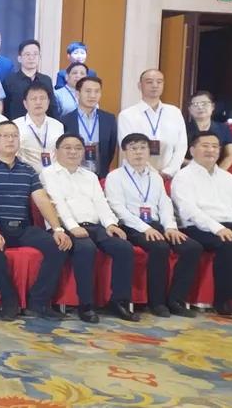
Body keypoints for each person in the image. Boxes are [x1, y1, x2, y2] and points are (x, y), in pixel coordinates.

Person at [0, 120, 72, 320]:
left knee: (58, 246)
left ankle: (38, 302)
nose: (10, 140)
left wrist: (58, 229)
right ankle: (9, 301)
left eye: (14, 136)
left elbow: (42, 200)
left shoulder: (28, 170)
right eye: (5, 136)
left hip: (22, 227)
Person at [40, 134, 138, 323]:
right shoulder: (48, 174)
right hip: (64, 227)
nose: (73, 152)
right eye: (67, 148)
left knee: (124, 248)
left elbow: (101, 203)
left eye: (78, 148)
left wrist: (110, 224)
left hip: (93, 226)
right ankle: (86, 305)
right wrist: (73, 227)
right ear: (56, 151)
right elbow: (57, 204)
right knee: (86, 249)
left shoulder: (90, 176)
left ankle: (119, 302)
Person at [105, 133, 201, 317]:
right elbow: (118, 209)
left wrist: (170, 227)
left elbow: (164, 204)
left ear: (149, 151)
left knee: (192, 248)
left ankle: (175, 300)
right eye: (133, 148)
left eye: (143, 148)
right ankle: (157, 303)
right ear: (125, 152)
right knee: (159, 247)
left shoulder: (155, 176)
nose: (138, 152)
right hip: (132, 226)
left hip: (156, 224)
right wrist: (145, 228)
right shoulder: (115, 177)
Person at [171, 131, 232, 315]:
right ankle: (224, 301)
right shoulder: (183, 177)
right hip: (197, 227)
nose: (211, 150)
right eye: (205, 146)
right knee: (228, 243)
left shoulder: (228, 178)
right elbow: (189, 211)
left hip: (228, 223)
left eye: (215, 146)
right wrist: (218, 228)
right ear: (192, 150)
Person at [117, 69, 187, 179]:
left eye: (159, 82)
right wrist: (154, 174)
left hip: (171, 177)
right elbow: (128, 147)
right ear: (140, 86)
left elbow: (181, 147)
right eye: (149, 82)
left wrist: (169, 172)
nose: (155, 85)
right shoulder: (127, 115)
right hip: (137, 175)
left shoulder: (174, 112)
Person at [60, 76, 117, 178]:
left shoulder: (109, 119)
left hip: (100, 177)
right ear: (77, 94)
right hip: (73, 176)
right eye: (88, 91)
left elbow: (110, 149)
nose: (92, 95)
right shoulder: (65, 121)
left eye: (97, 91)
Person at [13, 83, 65, 173]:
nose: (38, 102)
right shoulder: (15, 125)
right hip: (25, 174)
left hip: (54, 175)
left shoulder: (58, 125)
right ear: (25, 103)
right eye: (33, 99)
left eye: (42, 98)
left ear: (48, 102)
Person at [3, 40, 57, 121]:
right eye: (27, 54)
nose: (31, 58)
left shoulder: (46, 80)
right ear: (19, 58)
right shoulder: (9, 80)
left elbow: (52, 107)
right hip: (16, 126)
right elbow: (5, 108)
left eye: (35, 54)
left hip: (42, 125)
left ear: (39, 57)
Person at [185, 90, 232, 169]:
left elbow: (229, 155)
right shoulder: (182, 128)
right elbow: (175, 155)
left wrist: (217, 173)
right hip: (187, 170)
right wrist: (197, 167)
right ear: (190, 109)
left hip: (217, 171)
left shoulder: (224, 128)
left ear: (213, 107)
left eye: (204, 103)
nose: (200, 107)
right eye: (195, 104)